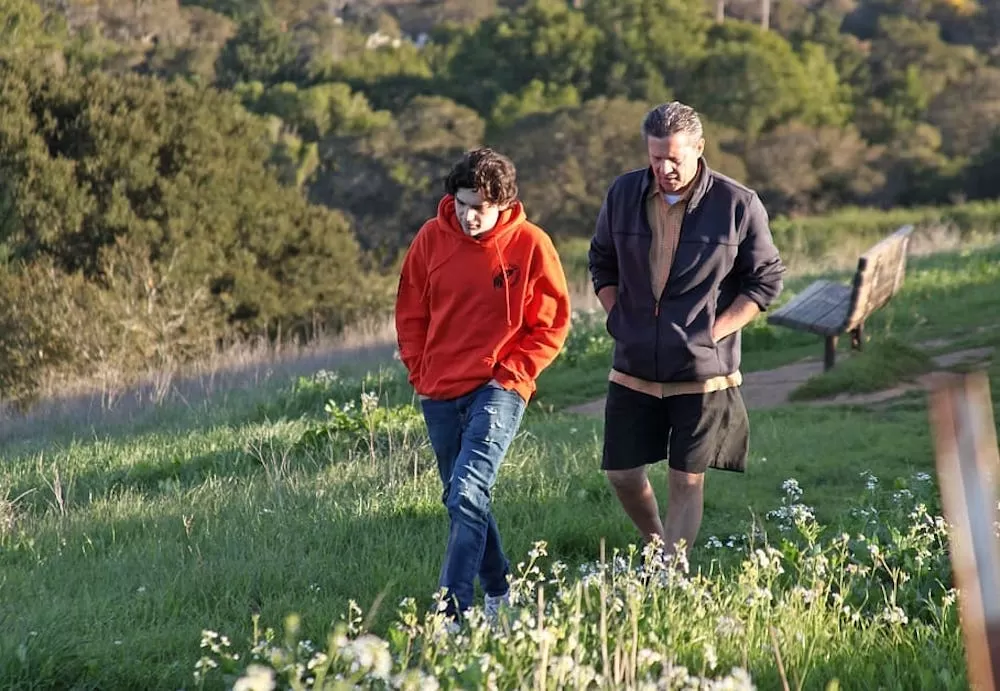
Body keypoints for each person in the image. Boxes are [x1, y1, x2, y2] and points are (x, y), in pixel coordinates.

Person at [588, 101, 785, 561]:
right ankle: (659, 548)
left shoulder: (739, 204)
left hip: (703, 371)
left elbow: (767, 279)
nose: (664, 168)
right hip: (633, 365)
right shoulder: (622, 194)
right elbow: (601, 260)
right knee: (621, 473)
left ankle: (669, 573)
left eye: (675, 157)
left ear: (699, 148)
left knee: (686, 479)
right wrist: (618, 316)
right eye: (656, 157)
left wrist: (714, 332)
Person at [395, 147, 571, 621]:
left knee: (468, 491)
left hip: (499, 386)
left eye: (481, 207)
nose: (470, 216)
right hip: (439, 389)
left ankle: (452, 614)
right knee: (461, 496)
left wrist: (515, 375)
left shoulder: (531, 244)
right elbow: (410, 311)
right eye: (462, 203)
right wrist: (420, 371)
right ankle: (500, 590)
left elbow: (551, 324)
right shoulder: (430, 239)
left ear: (503, 204)